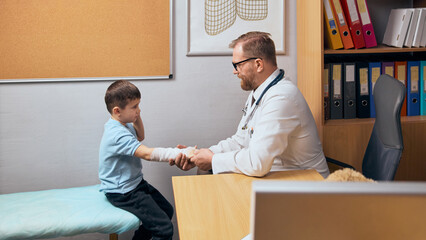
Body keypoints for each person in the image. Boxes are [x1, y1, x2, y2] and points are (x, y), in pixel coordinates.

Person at [173, 31, 330, 178]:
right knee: (205, 171)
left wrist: (213, 160)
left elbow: (257, 163)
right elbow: (240, 141)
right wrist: (201, 154)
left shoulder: (282, 98)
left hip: (305, 184)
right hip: (278, 176)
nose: (235, 71)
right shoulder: (260, 92)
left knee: (211, 173)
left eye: (238, 65)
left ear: (258, 64)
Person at [98, 80, 194, 240]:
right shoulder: (116, 135)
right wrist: (175, 153)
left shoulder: (123, 123)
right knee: (164, 229)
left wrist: (136, 116)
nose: (138, 110)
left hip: (134, 184)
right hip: (123, 192)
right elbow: (147, 154)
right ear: (117, 110)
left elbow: (140, 136)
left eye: (138, 105)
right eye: (134, 107)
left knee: (167, 211)